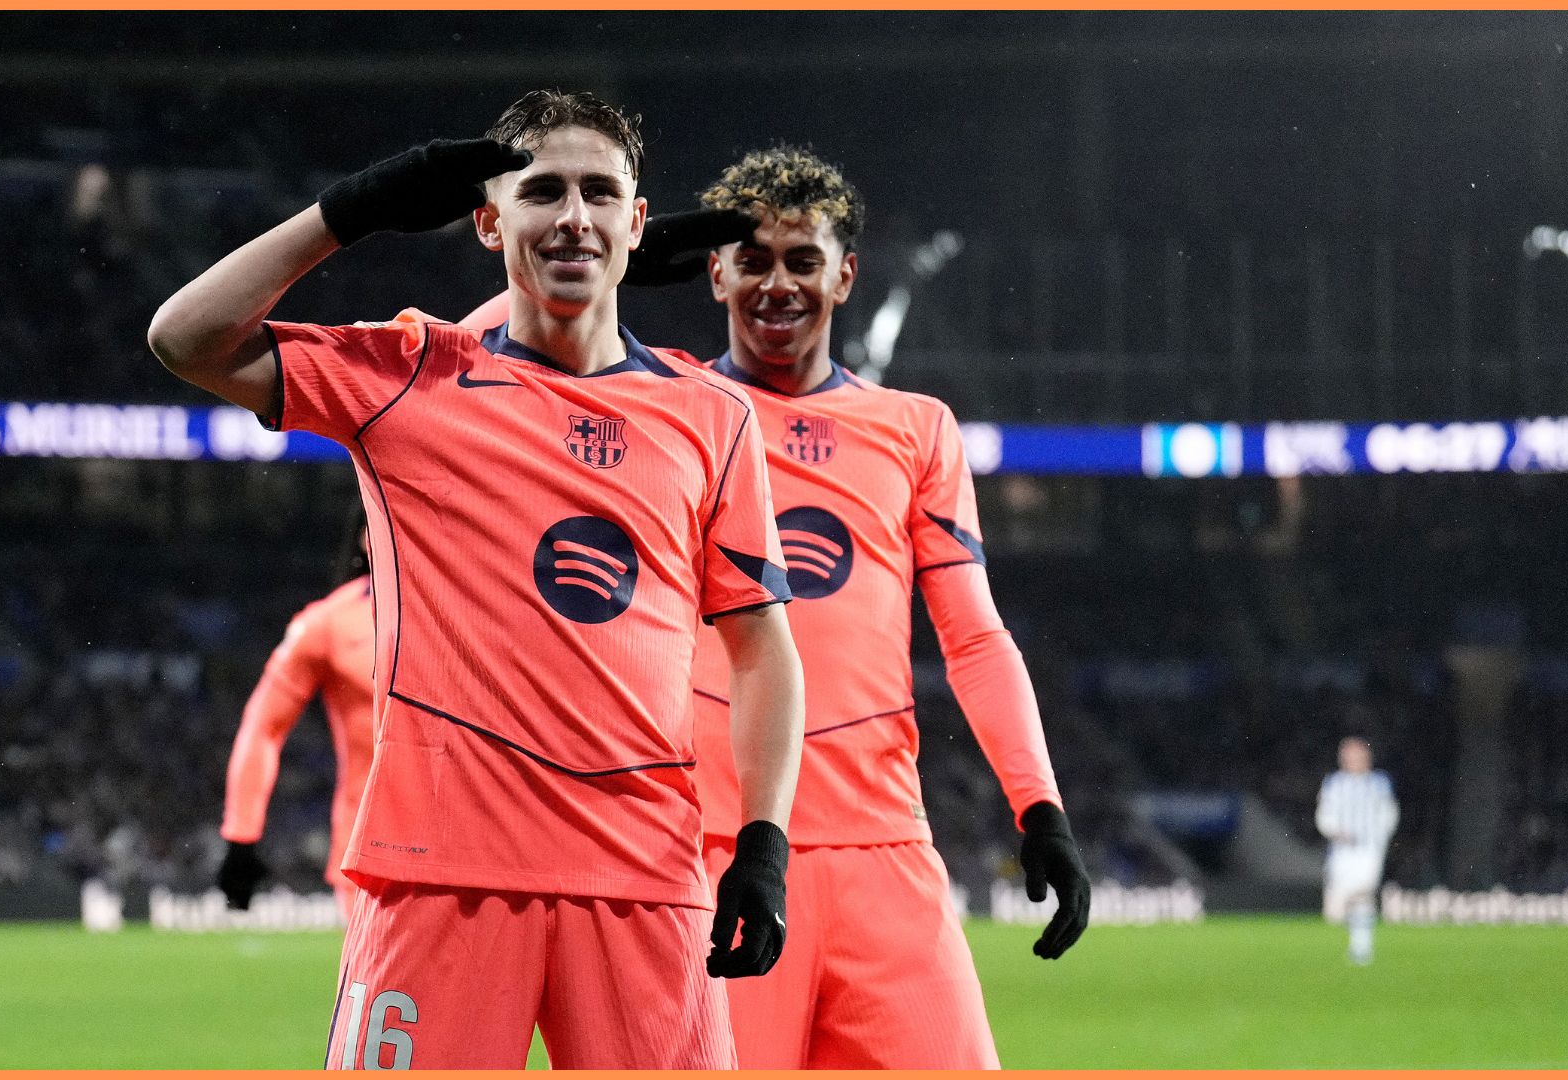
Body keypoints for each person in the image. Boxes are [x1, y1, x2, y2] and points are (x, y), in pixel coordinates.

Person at [147, 90, 803, 1070]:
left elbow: (761, 647)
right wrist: (349, 211)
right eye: (541, 191)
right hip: (434, 878)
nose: (572, 212)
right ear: (487, 219)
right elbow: (183, 338)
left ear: (638, 218)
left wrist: (764, 843)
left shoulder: (714, 418)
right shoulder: (409, 376)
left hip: (647, 880)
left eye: (599, 193)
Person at [461, 145, 1090, 1069]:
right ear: (712, 271)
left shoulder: (916, 430)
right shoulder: (661, 398)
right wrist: (623, 255)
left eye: (803, 260)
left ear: (847, 274)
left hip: (887, 855)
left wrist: (1041, 809)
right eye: (750, 259)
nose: (778, 285)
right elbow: (484, 352)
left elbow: (975, 636)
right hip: (715, 850)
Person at [216, 513, 374, 922]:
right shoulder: (326, 625)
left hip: (472, 849)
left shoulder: (475, 612)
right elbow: (263, 726)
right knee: (381, 988)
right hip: (370, 856)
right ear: (367, 537)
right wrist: (241, 837)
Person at [1315, 736, 1398, 965]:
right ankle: (1359, 943)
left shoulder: (1379, 783)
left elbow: (1389, 815)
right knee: (1340, 908)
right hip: (1341, 853)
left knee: (1362, 892)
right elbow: (1324, 816)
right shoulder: (1334, 783)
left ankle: (1361, 946)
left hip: (1369, 850)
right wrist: (1335, 831)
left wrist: (1380, 839)